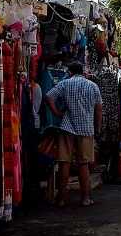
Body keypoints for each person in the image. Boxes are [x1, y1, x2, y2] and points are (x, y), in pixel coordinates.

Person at [44, 62, 103, 207]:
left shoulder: (65, 84)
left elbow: (49, 96)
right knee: (83, 164)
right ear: (82, 72)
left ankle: (62, 199)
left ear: (70, 72)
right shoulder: (92, 86)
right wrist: (98, 128)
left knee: (65, 163)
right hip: (86, 128)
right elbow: (99, 109)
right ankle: (86, 198)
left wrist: (56, 113)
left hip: (67, 127)